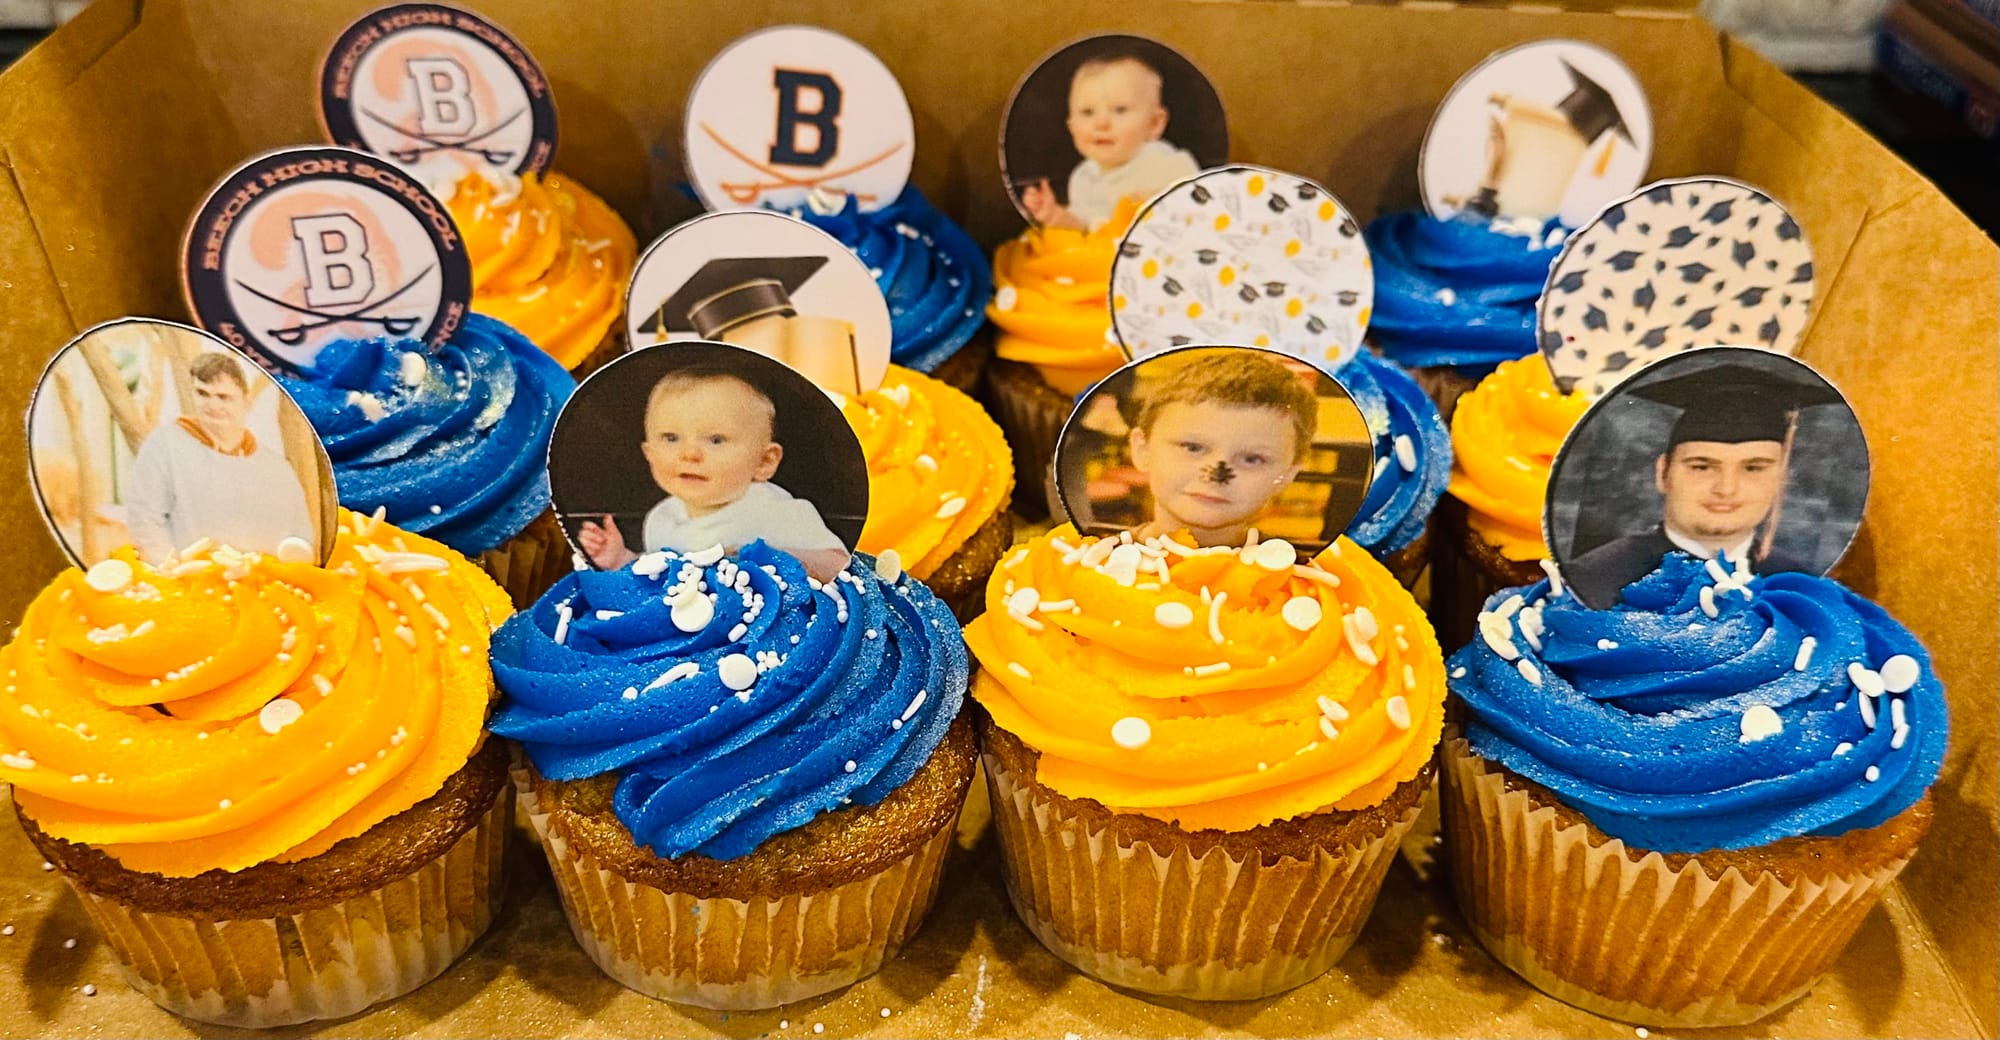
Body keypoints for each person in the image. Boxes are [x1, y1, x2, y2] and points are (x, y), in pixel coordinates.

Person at [1564, 360, 1841, 608]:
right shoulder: (1594, 580)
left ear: (1781, 480)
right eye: (1702, 466)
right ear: (1663, 473)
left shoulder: (1804, 588)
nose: (1726, 488)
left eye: (1753, 468)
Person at [575, 365, 850, 581]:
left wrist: (775, 559)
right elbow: (660, 578)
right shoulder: (662, 517)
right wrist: (622, 560)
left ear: (764, 462)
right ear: (649, 453)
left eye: (715, 440)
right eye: (671, 438)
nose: (690, 454)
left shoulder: (777, 512)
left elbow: (838, 564)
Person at [125, 351, 316, 565]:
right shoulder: (165, 445)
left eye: (224, 397)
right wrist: (169, 572)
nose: (212, 405)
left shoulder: (276, 468)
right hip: (191, 585)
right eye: (203, 393)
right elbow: (144, 519)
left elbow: (301, 536)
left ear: (246, 402)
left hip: (264, 587)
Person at [1126, 351, 1319, 548]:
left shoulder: (1304, 574)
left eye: (1252, 459)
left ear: (1287, 474)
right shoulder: (1097, 563)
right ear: (1143, 450)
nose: (1215, 478)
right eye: (1193, 448)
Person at [1019, 49, 1199, 232]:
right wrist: (1055, 215)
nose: (1101, 123)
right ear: (1071, 128)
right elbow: (1085, 229)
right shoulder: (1083, 178)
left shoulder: (1167, 164)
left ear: (1154, 124)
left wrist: (1158, 202)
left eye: (1120, 110)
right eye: (1087, 112)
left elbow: (1200, 210)